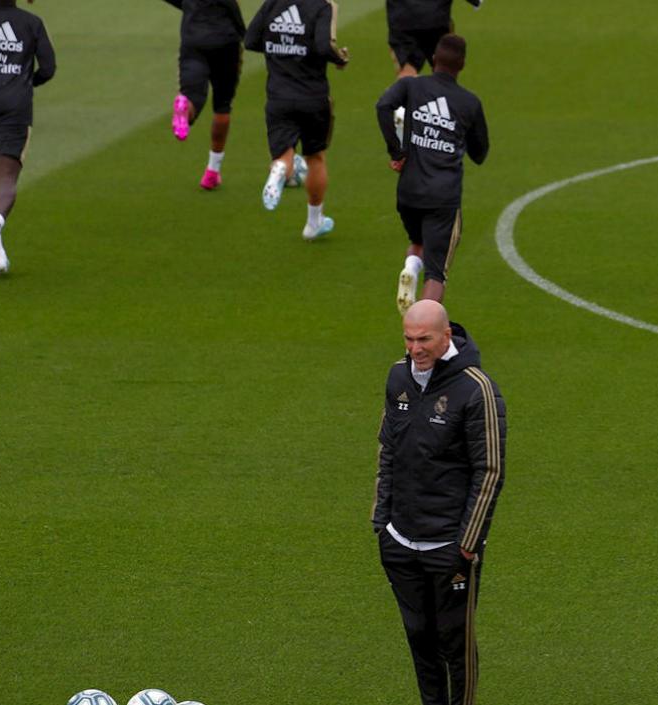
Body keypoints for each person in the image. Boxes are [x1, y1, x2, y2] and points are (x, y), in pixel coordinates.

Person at [374, 299, 505, 705]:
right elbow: (387, 449)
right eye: (409, 339)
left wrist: (466, 543)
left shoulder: (476, 389)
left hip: (449, 546)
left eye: (424, 339)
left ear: (447, 336)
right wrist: (382, 523)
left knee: (455, 643)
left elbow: (490, 470)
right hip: (401, 542)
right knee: (420, 638)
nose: (416, 349)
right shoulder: (398, 377)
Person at [375, 33, 488, 310]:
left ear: (434, 59)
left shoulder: (413, 86)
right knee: (437, 274)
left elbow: (383, 105)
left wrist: (397, 151)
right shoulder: (468, 103)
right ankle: (420, 331)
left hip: (408, 192)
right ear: (461, 65)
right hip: (442, 198)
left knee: (417, 240)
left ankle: (411, 268)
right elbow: (480, 154)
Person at [244, 0, 349, 240]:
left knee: (284, 154)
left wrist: (281, 50)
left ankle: (280, 169)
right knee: (315, 156)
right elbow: (324, 47)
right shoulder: (322, 5)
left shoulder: (273, 4)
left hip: (278, 97)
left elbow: (250, 40)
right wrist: (341, 59)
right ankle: (314, 223)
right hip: (313, 98)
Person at [0, 0, 54, 276]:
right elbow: (48, 68)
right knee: (7, 180)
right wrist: (24, 83)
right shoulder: (31, 23)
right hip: (14, 110)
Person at [160, 0, 246, 191]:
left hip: (194, 40)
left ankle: (185, 107)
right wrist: (244, 33)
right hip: (225, 42)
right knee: (222, 106)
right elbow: (231, 6)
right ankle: (212, 172)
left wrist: (191, 7)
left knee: (192, 95)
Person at [386, 0, 480, 78]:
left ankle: (406, 96)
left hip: (402, 18)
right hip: (436, 16)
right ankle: (445, 97)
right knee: (445, 72)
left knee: (407, 70)